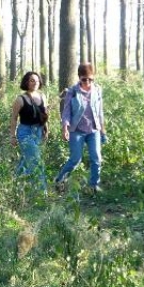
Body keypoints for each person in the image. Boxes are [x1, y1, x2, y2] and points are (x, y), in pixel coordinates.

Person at [54, 62, 107, 194]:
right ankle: (59, 180)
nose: (87, 82)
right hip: (76, 131)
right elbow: (66, 112)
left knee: (96, 158)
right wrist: (65, 128)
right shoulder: (72, 92)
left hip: (93, 130)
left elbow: (100, 111)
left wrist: (103, 130)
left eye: (90, 79)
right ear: (79, 77)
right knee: (75, 159)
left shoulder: (98, 90)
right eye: (84, 79)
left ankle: (93, 186)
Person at [9, 71, 48, 192]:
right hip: (25, 132)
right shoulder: (20, 99)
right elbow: (14, 118)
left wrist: (46, 130)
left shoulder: (42, 97)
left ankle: (15, 185)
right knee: (36, 160)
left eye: (37, 80)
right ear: (26, 82)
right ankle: (41, 192)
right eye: (32, 80)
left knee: (26, 160)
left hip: (38, 131)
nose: (35, 83)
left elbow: (45, 115)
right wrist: (12, 136)